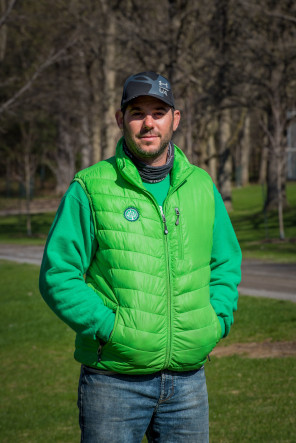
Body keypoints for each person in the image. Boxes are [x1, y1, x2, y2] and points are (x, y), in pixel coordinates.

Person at [39, 71, 241, 443]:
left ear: (174, 119)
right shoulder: (90, 187)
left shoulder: (201, 186)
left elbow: (225, 262)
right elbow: (58, 274)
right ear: (121, 120)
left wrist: (217, 320)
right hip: (112, 383)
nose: (149, 122)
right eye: (137, 112)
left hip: (188, 385)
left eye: (158, 111)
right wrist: (108, 329)